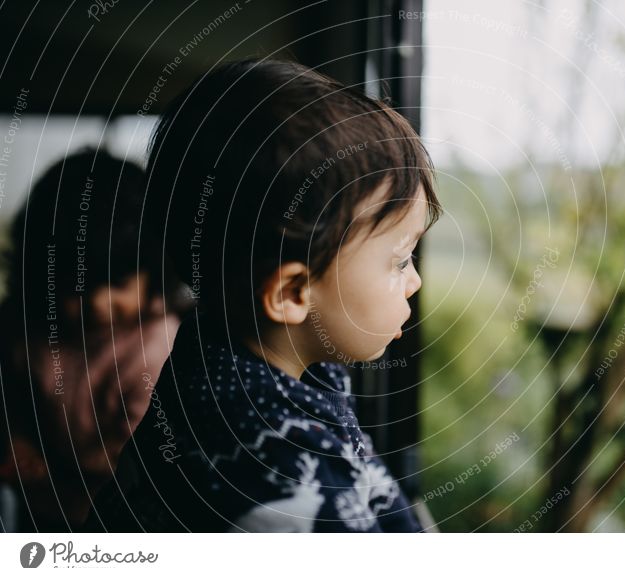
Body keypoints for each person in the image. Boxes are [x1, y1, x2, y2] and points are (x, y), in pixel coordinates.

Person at [83, 58, 442, 532]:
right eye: (399, 261)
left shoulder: (220, 348)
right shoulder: (278, 480)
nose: (413, 281)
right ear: (292, 292)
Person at [0, 149, 187, 531]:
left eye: (118, 283)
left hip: (127, 515)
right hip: (37, 506)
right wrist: (16, 440)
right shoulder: (27, 329)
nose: (99, 305)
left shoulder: (157, 347)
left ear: (153, 268)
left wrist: (64, 467)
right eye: (77, 287)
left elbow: (143, 454)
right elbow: (11, 394)